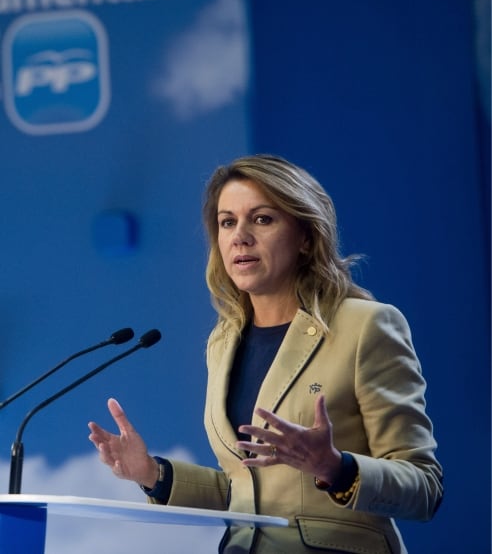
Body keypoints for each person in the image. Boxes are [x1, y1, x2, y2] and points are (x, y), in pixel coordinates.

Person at [88, 154, 443, 554]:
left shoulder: (366, 326)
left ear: (306, 237)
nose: (239, 236)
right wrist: (153, 474)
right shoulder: (223, 341)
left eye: (262, 219)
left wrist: (335, 468)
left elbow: (424, 487)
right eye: (227, 222)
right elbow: (245, 490)